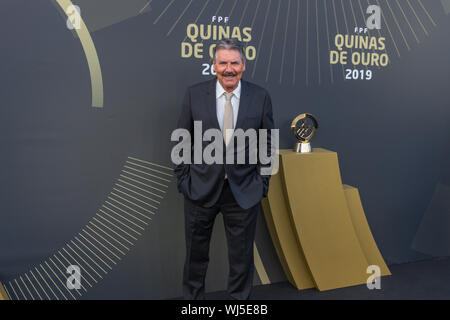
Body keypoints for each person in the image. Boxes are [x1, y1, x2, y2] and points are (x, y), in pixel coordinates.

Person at [173, 38, 275, 300]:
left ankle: (238, 304)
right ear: (214, 66)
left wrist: (262, 184)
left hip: (242, 192)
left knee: (241, 259)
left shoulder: (260, 96)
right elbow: (182, 138)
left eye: (234, 63)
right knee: (195, 257)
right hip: (200, 189)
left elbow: (267, 143)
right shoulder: (194, 94)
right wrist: (184, 180)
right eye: (223, 63)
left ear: (244, 65)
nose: (229, 69)